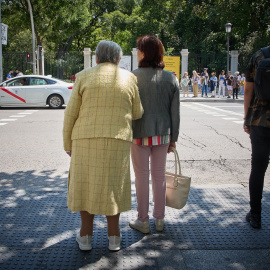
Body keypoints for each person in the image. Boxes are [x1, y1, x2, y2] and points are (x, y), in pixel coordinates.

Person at [63, 40, 144, 251]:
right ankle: (114, 238)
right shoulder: (129, 78)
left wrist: (67, 143)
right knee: (113, 187)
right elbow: (137, 112)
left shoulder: (83, 76)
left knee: (85, 187)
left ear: (96, 57)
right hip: (117, 140)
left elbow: (70, 113)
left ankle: (85, 237)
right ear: (118, 58)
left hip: (84, 140)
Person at [129, 35, 180, 234]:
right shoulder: (171, 78)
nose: (137, 52)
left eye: (139, 49)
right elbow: (175, 112)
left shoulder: (133, 77)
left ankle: (143, 220)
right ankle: (160, 219)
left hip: (139, 133)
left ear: (144, 53)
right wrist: (173, 138)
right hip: (163, 134)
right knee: (159, 176)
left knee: (141, 177)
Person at [243, 46, 270, 229]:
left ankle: (255, 216)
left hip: (260, 120)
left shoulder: (260, 55)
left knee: (258, 168)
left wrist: (246, 118)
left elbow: (247, 91)